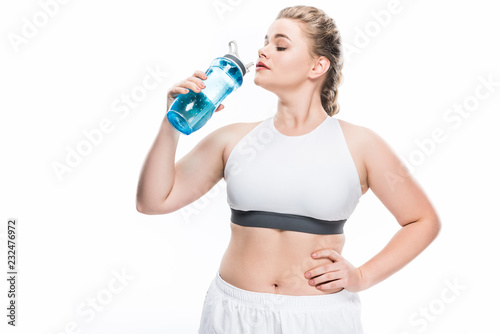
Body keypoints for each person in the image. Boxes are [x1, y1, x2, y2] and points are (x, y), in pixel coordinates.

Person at [136, 5, 441, 334]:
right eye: (265, 41)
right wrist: (172, 124)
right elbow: (153, 202)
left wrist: (362, 276)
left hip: (319, 317)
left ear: (317, 65)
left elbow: (422, 221)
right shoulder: (233, 139)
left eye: (280, 45)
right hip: (232, 313)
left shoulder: (360, 145)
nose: (263, 50)